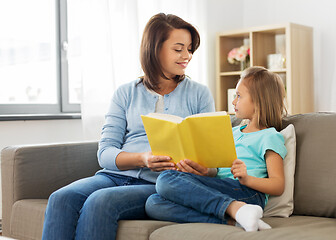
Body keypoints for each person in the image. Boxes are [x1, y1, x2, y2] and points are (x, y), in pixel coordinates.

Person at [42, 13, 215, 240]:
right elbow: (105, 153)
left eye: (190, 49)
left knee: (99, 201)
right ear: (155, 49)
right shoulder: (126, 93)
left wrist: (204, 168)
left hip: (161, 184)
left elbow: (212, 160)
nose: (187, 56)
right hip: (113, 176)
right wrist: (143, 158)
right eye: (178, 49)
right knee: (61, 198)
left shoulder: (199, 94)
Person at [145, 66, 288, 232]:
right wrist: (203, 172)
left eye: (239, 96)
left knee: (165, 179)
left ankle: (236, 208)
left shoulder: (269, 136)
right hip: (221, 187)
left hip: (248, 192)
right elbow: (219, 170)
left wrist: (247, 179)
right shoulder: (232, 131)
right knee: (153, 203)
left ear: (259, 100)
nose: (233, 101)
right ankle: (235, 219)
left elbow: (278, 185)